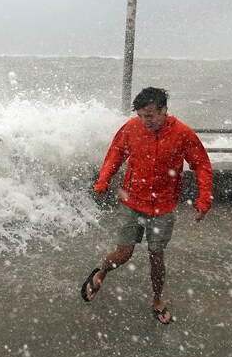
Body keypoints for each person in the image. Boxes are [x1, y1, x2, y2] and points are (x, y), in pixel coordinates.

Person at [81, 87, 213, 324]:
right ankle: (100, 273)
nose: (145, 121)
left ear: (164, 111)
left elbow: (201, 164)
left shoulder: (182, 133)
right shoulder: (132, 128)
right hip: (131, 202)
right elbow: (115, 154)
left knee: (156, 257)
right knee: (123, 254)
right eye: (141, 115)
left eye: (150, 115)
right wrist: (102, 182)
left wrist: (204, 200)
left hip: (163, 208)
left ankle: (157, 300)